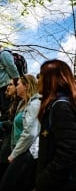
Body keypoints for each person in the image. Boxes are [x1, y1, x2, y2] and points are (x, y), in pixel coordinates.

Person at [36, 59, 76, 191]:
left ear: (51, 78)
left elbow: (68, 151)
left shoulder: (61, 107)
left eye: (40, 75)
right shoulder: (54, 106)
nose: (38, 80)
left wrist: (44, 180)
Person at [0, 74, 41, 191]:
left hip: (27, 153)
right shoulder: (25, 104)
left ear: (26, 86)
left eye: (18, 85)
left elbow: (30, 133)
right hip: (20, 150)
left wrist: (14, 154)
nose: (16, 87)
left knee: (7, 186)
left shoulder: (34, 104)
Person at [0, 41, 20, 119]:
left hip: (6, 86)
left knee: (7, 107)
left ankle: (8, 123)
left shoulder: (4, 54)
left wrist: (16, 82)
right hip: (1, 87)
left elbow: (11, 67)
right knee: (3, 107)